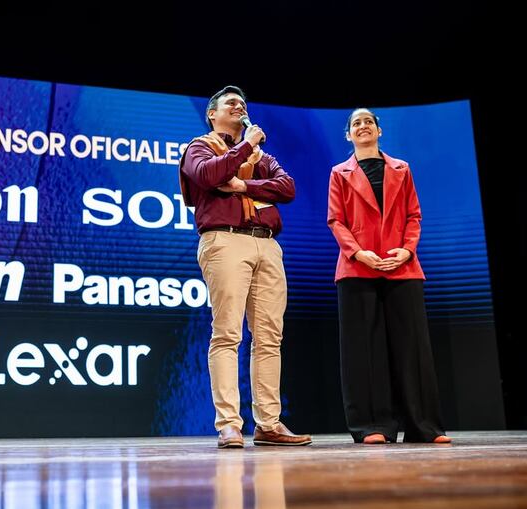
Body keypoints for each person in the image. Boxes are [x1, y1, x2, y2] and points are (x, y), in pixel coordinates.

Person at [179, 85, 311, 448]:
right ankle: (229, 424)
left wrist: (242, 184)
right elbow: (209, 176)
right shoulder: (199, 147)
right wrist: (245, 147)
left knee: (269, 337)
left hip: (266, 243)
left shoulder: (261, 157)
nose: (239, 106)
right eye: (230, 103)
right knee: (227, 334)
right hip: (225, 240)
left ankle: (268, 423)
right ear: (212, 114)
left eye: (242, 103)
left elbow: (287, 188)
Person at [327, 107, 452, 444]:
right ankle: (372, 426)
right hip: (357, 267)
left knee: (412, 348)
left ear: (379, 131)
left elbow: (414, 215)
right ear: (348, 135)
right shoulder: (339, 173)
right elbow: (336, 220)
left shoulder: (402, 168)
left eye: (368, 121)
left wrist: (407, 250)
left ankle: (423, 426)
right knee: (364, 349)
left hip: (402, 266)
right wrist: (358, 252)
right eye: (356, 123)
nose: (363, 126)